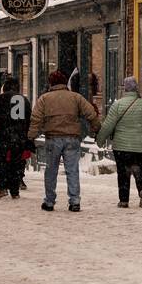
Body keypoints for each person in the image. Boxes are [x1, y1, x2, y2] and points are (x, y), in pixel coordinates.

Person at [27, 71, 101, 212]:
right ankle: (74, 201)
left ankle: (49, 201)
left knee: (51, 171)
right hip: (72, 137)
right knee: (72, 170)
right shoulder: (75, 97)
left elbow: (35, 119)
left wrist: (31, 136)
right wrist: (96, 128)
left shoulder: (44, 99)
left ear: (51, 83)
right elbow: (90, 113)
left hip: (52, 138)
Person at [97, 76, 142, 208]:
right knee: (141, 171)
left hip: (122, 146)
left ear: (125, 89)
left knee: (123, 173)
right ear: (136, 88)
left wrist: (100, 140)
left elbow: (108, 125)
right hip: (141, 147)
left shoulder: (118, 104)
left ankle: (124, 200)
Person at [0, 79, 30, 200]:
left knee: (2, 161)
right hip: (19, 136)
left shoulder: (0, 99)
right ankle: (15, 190)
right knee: (16, 163)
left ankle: (2, 187)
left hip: (3, 135)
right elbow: (28, 118)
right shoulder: (24, 100)